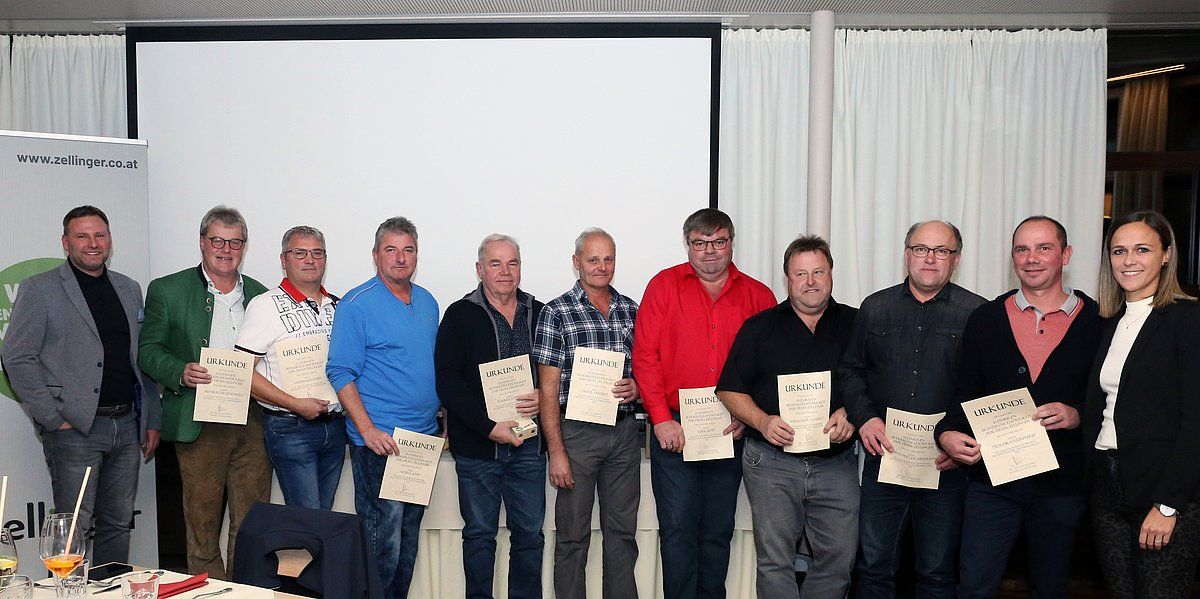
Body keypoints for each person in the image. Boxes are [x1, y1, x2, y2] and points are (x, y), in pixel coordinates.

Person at [936, 216, 1101, 598]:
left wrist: (1077, 414)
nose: (1032, 258)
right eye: (1022, 249)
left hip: (1063, 485)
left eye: (1044, 248)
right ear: (1012, 257)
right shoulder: (986, 320)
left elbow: (1112, 403)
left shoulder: (1097, 322)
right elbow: (964, 393)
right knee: (974, 586)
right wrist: (944, 433)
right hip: (993, 482)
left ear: (1066, 255)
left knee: (1051, 586)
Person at [1, 205, 161, 566]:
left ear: (109, 241)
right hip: (74, 430)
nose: (93, 243)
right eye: (82, 236)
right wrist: (52, 418)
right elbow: (16, 357)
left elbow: (140, 359)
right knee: (73, 529)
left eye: (100, 235)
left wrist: (152, 418)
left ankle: (110, 588)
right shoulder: (39, 289)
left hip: (126, 425)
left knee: (119, 523)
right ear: (66, 243)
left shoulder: (129, 288)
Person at [633, 207, 776, 599]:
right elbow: (645, 357)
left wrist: (752, 416)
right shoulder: (663, 287)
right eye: (700, 244)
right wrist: (660, 419)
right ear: (688, 246)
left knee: (717, 530)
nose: (709, 252)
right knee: (677, 529)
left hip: (732, 429)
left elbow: (770, 366)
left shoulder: (759, 295)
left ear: (731, 242)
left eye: (718, 242)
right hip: (674, 428)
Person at [839, 220, 985, 599]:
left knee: (936, 571)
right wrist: (865, 418)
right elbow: (851, 372)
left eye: (942, 251)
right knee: (873, 567)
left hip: (944, 464)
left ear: (956, 259)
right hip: (884, 458)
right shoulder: (875, 308)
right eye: (921, 249)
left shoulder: (978, 314)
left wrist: (962, 438)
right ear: (906, 255)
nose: (930, 258)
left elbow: (984, 388)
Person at [715, 235, 858, 598]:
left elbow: (877, 383)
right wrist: (762, 421)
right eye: (801, 274)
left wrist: (852, 413)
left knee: (839, 557)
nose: (810, 281)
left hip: (835, 463)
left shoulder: (858, 324)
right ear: (787, 279)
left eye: (818, 272)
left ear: (831, 274)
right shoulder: (759, 328)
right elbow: (729, 389)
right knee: (775, 560)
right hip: (772, 463)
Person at [138, 205, 270, 579]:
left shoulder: (262, 295)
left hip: (252, 422)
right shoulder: (167, 289)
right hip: (199, 420)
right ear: (202, 242)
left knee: (251, 523)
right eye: (217, 240)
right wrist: (179, 370)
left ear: (244, 247)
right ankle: (208, 590)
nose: (226, 249)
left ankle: (244, 588)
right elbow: (147, 351)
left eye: (235, 242)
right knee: (202, 524)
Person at [1083, 210, 1200, 598]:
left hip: (1163, 492)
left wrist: (1168, 505)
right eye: (1118, 251)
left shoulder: (1187, 319)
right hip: (1108, 488)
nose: (1128, 260)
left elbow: (1195, 420)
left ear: (1166, 255)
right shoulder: (1111, 320)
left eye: (1142, 249)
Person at [326, 216, 440, 599]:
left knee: (408, 540)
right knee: (381, 543)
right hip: (380, 444)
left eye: (408, 249)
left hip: (421, 441)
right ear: (376, 255)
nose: (400, 258)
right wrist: (368, 430)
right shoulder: (357, 304)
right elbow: (340, 371)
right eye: (391, 250)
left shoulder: (427, 301)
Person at [435, 234, 545, 599]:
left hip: (529, 447)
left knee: (530, 535)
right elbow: (448, 383)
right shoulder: (459, 314)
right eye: (495, 264)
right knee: (480, 537)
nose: (505, 271)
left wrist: (545, 396)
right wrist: (488, 427)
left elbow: (555, 373)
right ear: (480, 269)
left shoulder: (538, 312)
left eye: (512, 263)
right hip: (478, 449)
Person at [533, 228, 640, 599]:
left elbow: (643, 370)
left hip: (625, 434)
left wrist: (636, 387)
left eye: (608, 258)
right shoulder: (556, 312)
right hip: (576, 435)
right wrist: (556, 451)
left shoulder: (631, 308)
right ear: (576, 262)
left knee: (623, 536)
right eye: (593, 259)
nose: (602, 266)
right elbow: (547, 389)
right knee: (573, 536)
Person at [234, 225, 345, 510]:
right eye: (300, 253)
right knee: (307, 519)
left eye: (317, 253)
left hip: (334, 427)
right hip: (291, 428)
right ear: (284, 260)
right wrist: (295, 404)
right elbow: (242, 372)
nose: (310, 259)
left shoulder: (339, 306)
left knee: (324, 517)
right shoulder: (266, 305)